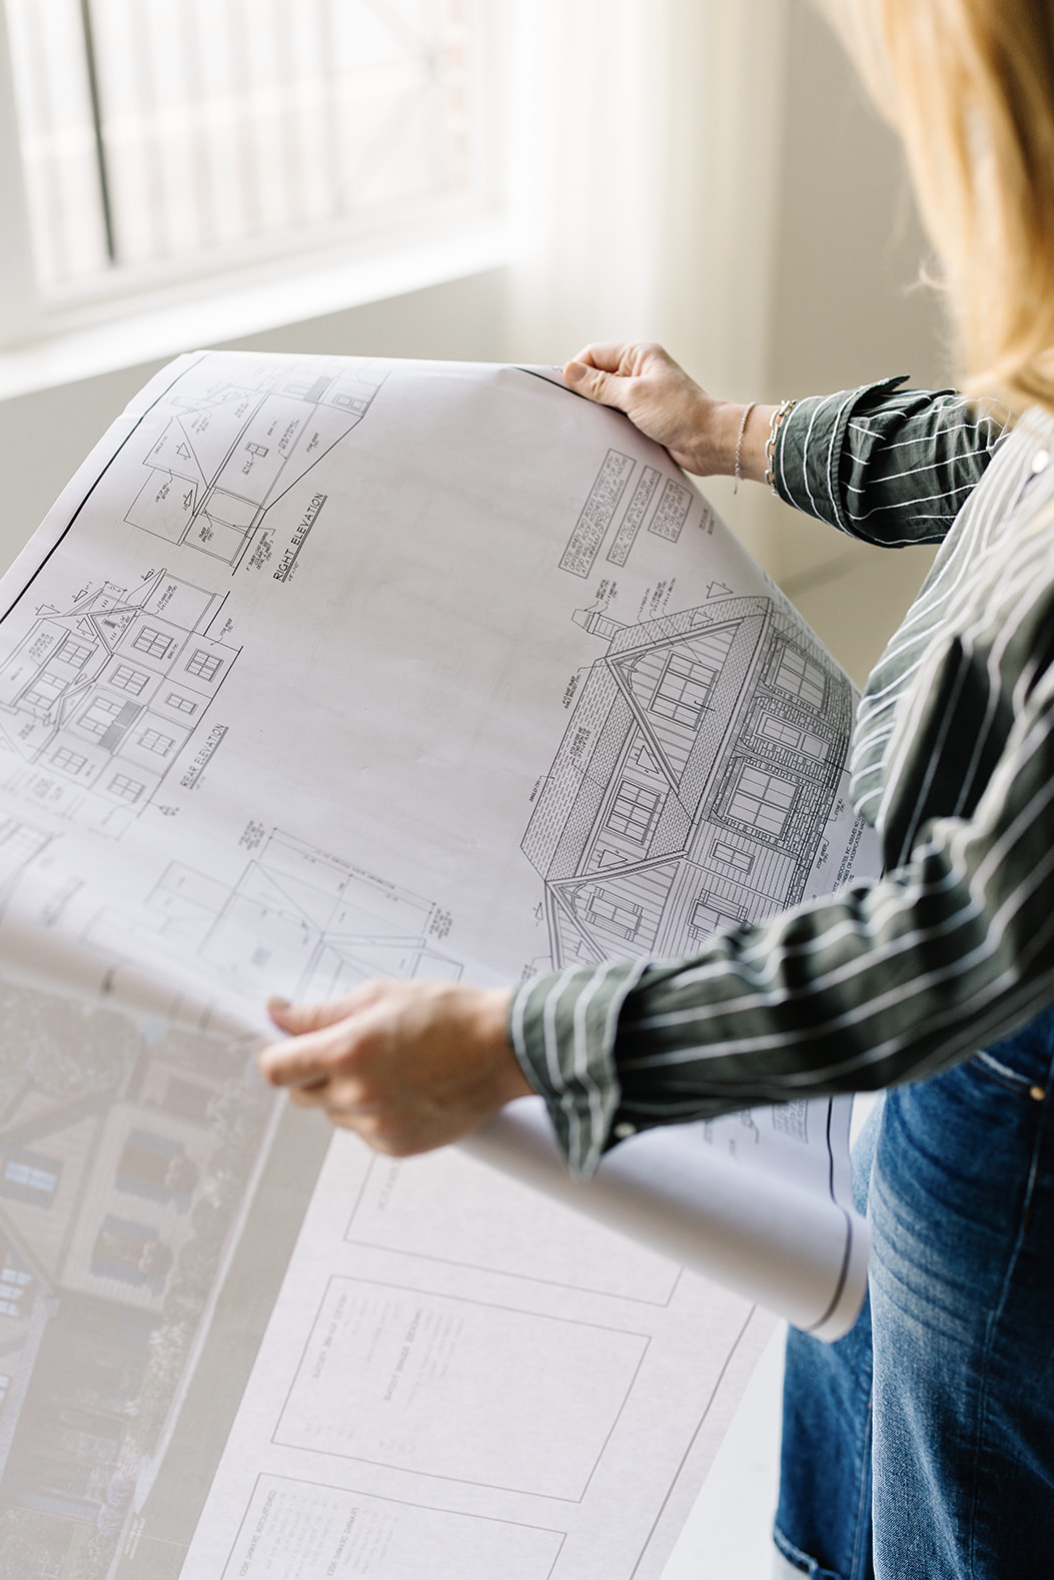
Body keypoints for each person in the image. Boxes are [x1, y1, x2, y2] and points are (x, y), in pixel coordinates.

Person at [259, 2, 1054, 1574]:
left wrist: (513, 1043)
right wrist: (740, 434)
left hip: (1004, 1095)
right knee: (852, 1401)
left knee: (958, 1502)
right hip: (926, 1061)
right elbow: (1008, 449)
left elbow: (971, 942)